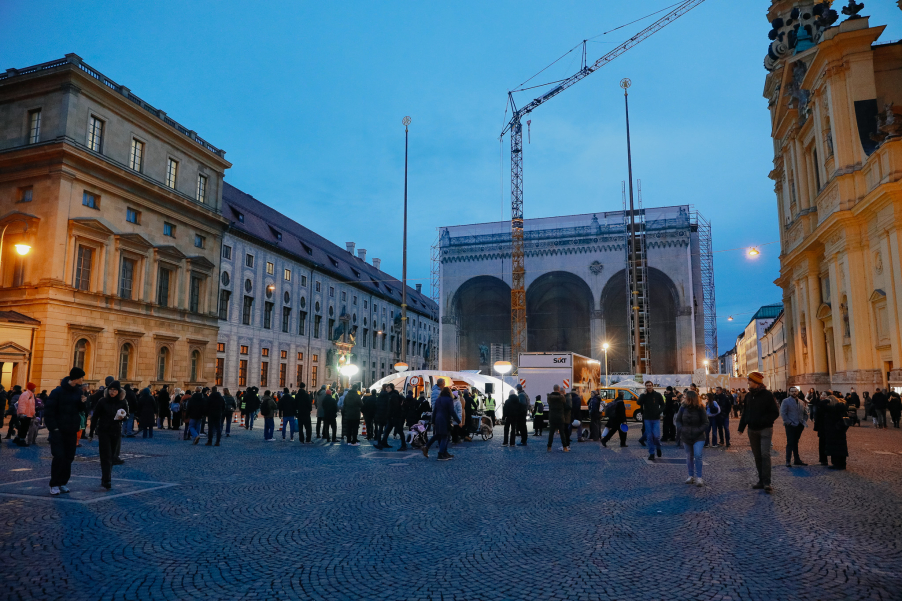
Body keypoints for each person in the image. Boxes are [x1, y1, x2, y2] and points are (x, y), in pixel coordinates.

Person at [45, 367, 88, 496]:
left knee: (69, 457)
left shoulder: (78, 391)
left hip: (71, 430)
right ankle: (54, 484)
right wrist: (54, 428)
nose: (83, 380)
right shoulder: (57, 392)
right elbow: (49, 412)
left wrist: (82, 403)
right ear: (76, 378)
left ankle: (63, 482)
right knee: (59, 457)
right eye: (81, 377)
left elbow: (79, 410)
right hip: (58, 431)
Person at [737, 371, 780, 493]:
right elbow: (745, 413)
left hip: (765, 429)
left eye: (749, 380)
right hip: (752, 430)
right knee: (757, 456)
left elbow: (775, 412)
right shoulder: (749, 396)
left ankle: (767, 482)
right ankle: (761, 480)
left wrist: (763, 421)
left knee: (765, 454)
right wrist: (741, 428)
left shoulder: (767, 395)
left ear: (756, 382)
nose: (748, 382)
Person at [88, 381, 127, 490]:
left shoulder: (122, 402)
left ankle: (106, 476)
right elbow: (95, 417)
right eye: (110, 389)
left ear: (119, 391)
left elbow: (126, 415)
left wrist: (123, 417)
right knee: (105, 456)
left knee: (112, 456)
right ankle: (107, 479)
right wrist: (91, 433)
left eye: (115, 390)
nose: (112, 392)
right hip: (104, 431)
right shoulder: (102, 401)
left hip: (115, 431)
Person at [675, 390, 709, 487]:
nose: (684, 398)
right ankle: (690, 476)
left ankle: (699, 477)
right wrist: (682, 429)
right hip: (686, 435)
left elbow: (706, 422)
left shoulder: (700, 408)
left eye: (686, 397)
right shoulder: (682, 407)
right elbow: (678, 420)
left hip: (698, 436)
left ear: (691, 399)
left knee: (697, 455)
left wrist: (698, 430)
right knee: (689, 456)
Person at [423, 387, 455, 460]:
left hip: (437, 419)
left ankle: (428, 447)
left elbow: (434, 411)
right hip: (445, 419)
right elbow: (452, 412)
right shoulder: (449, 399)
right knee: (445, 436)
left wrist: (433, 421)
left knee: (438, 435)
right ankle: (441, 454)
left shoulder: (438, 399)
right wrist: (458, 421)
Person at [780, 387, 809, 467]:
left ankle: (797, 459)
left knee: (795, 442)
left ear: (798, 392)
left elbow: (805, 413)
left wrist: (803, 421)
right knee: (790, 443)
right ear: (789, 392)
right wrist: (788, 422)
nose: (794, 393)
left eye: (795, 391)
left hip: (799, 425)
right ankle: (788, 460)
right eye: (792, 391)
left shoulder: (801, 402)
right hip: (790, 425)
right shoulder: (785, 401)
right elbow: (783, 413)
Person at [822, 393, 850, 469]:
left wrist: (826, 400)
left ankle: (836, 464)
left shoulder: (832, 409)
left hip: (833, 431)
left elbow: (821, 405)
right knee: (841, 447)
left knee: (834, 448)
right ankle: (842, 464)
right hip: (841, 430)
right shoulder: (841, 408)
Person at [638, 382, 664, 460]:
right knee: (649, 437)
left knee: (656, 436)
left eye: (650, 385)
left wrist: (659, 411)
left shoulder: (657, 395)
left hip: (656, 418)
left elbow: (663, 404)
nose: (649, 387)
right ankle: (651, 453)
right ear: (645, 387)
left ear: (652, 386)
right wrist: (643, 395)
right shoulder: (644, 396)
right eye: (647, 386)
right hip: (647, 418)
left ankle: (658, 447)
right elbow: (638, 402)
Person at [546, 384, 570, 452]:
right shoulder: (562, 397)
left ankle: (549, 447)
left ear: (553, 389)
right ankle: (565, 447)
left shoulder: (549, 397)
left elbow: (549, 403)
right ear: (559, 389)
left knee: (551, 433)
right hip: (560, 416)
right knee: (562, 433)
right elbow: (565, 403)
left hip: (552, 416)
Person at [13, 382, 36, 447]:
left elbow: (31, 405)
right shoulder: (26, 395)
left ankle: (18, 438)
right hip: (25, 414)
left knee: (23, 427)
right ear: (32, 388)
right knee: (24, 428)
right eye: (34, 387)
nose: (35, 389)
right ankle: (21, 440)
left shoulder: (30, 394)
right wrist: (22, 413)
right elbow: (22, 404)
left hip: (28, 414)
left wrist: (33, 413)